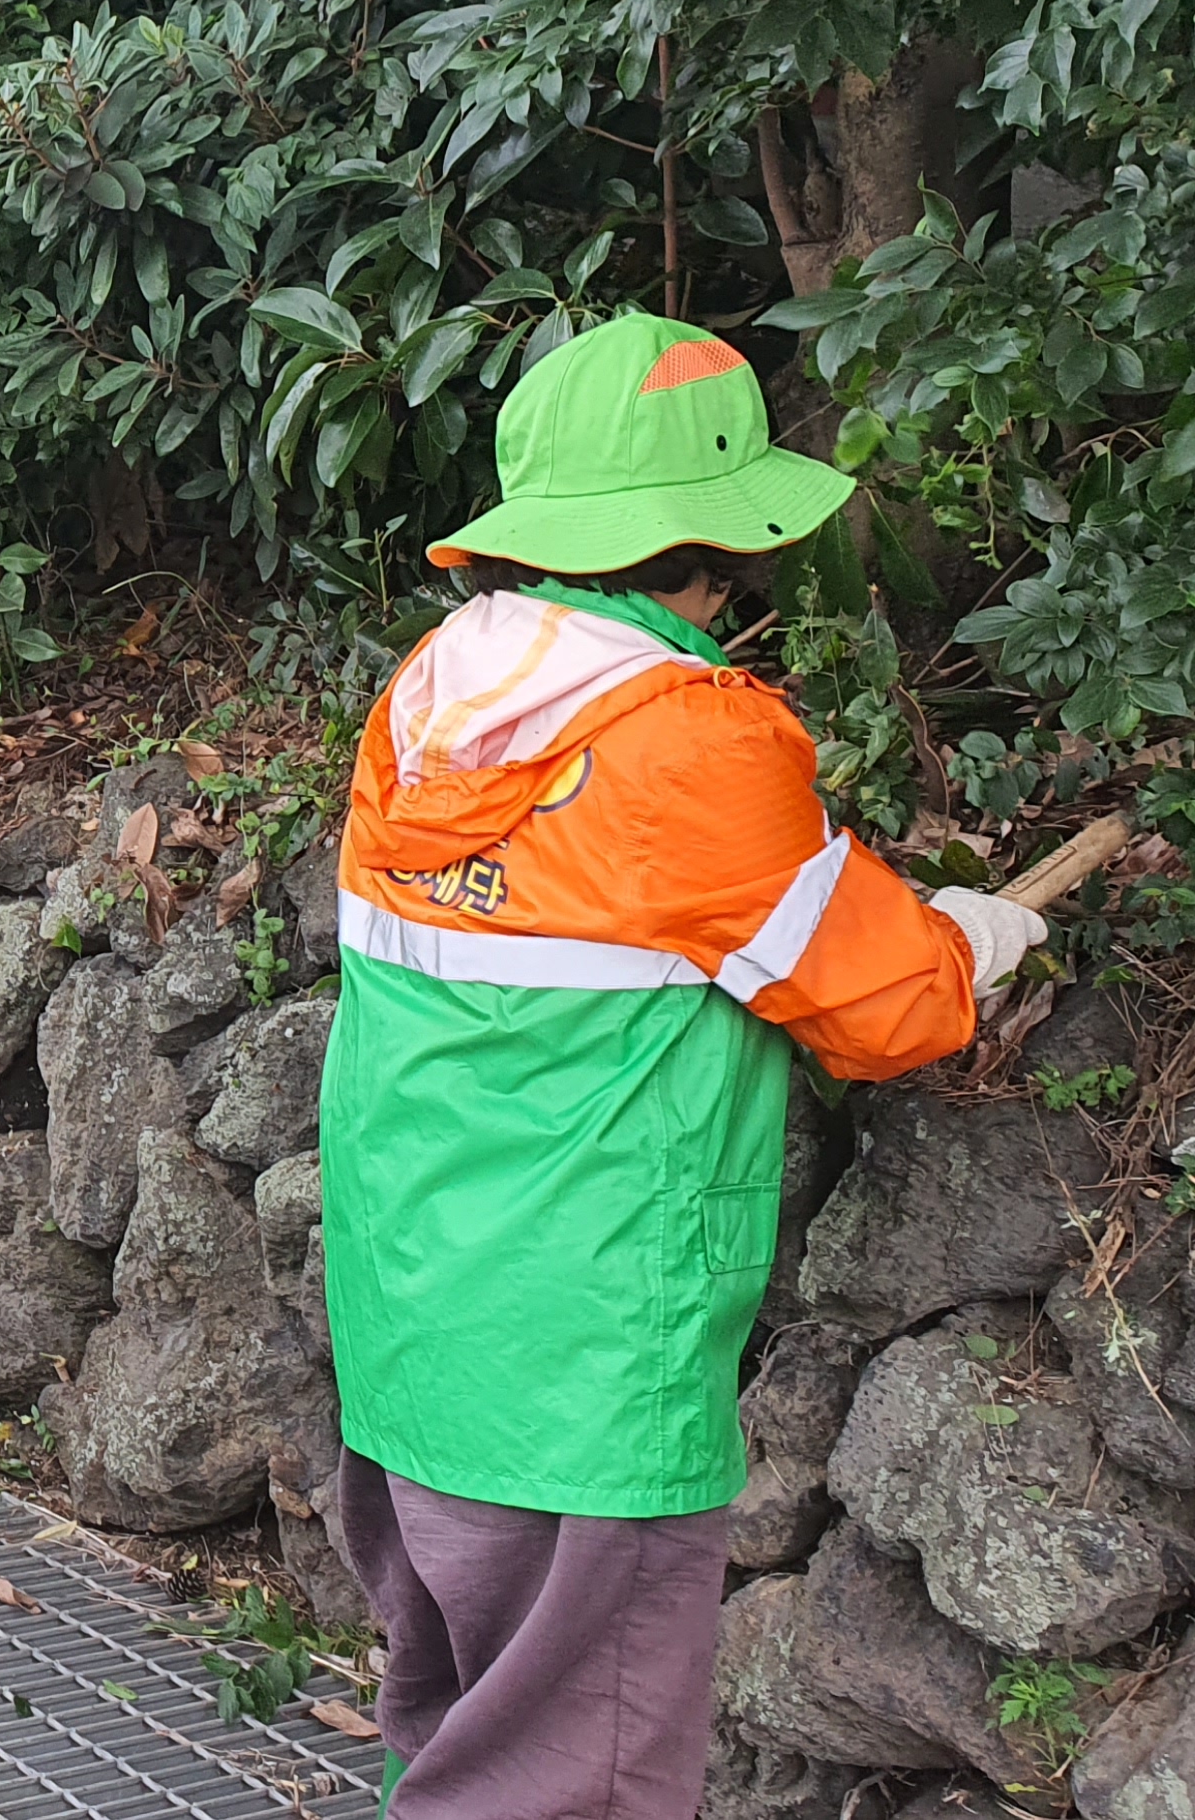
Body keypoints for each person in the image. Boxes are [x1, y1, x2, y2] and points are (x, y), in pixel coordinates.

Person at [324, 312, 1048, 1819]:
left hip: (416, 1346)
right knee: (565, 1786)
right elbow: (887, 1009)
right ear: (714, 549)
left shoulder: (427, 705)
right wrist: (976, 931)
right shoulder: (691, 745)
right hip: (587, 1372)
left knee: (453, 1739)